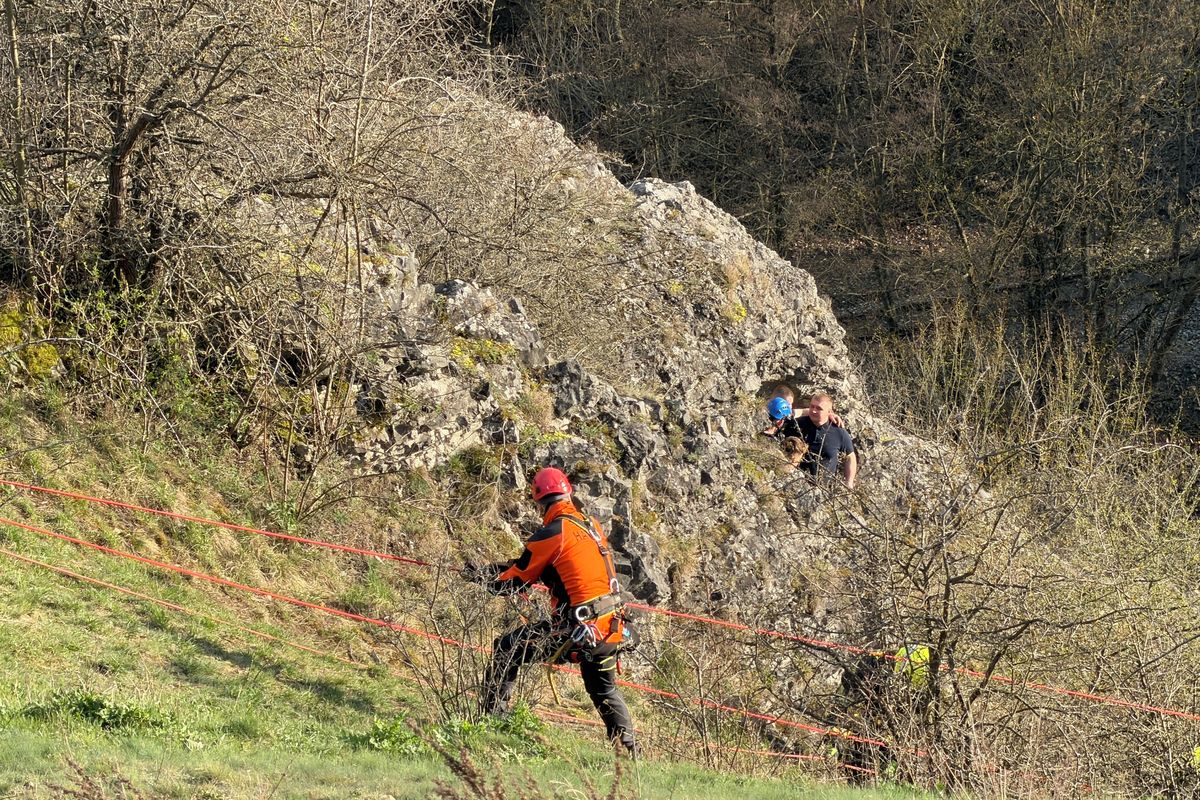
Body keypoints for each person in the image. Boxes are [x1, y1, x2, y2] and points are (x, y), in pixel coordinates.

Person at [462, 467, 638, 756]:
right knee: (604, 690)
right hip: (610, 626)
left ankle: (491, 723)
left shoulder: (552, 531)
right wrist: (498, 569)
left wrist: (481, 577)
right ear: (568, 493)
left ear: (538, 501)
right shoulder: (589, 525)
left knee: (507, 649)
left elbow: (516, 580)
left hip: (578, 629)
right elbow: (557, 568)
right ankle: (630, 755)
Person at [792, 393, 857, 489]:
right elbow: (783, 415)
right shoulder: (797, 425)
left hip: (823, 491)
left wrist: (849, 483)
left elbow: (850, 457)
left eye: (819, 408)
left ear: (829, 411)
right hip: (794, 484)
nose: (814, 411)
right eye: (812, 406)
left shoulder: (839, 432)